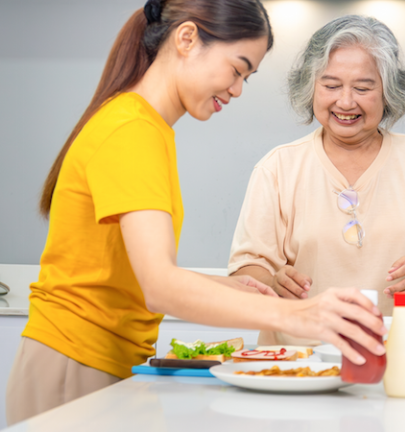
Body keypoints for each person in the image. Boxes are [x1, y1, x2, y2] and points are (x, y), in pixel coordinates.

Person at [6, 1, 385, 426]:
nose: (238, 89)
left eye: (247, 76)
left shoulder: (147, 128)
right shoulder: (131, 130)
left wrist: (228, 287)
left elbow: (125, 274)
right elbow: (159, 286)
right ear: (187, 39)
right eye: (237, 68)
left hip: (97, 360)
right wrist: (300, 315)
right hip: (73, 362)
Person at [229, 15, 405, 345]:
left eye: (363, 87)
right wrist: (272, 280)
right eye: (330, 86)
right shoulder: (277, 167)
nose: (345, 102)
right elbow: (246, 269)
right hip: (299, 360)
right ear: (310, 87)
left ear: (387, 92)